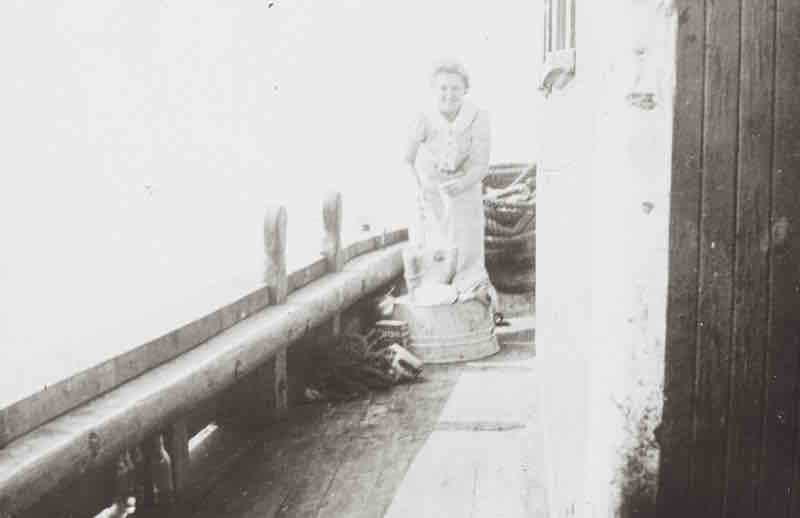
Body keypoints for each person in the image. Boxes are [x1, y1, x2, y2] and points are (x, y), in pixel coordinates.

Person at [403, 59, 495, 305]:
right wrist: (419, 189)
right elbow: (406, 160)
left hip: (465, 191)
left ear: (465, 90)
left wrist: (463, 184)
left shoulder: (477, 117)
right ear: (434, 90)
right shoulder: (423, 118)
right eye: (443, 88)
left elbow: (480, 165)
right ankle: (434, 300)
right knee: (432, 251)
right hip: (430, 193)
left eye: (455, 88)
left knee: (467, 253)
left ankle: (469, 297)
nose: (449, 94)